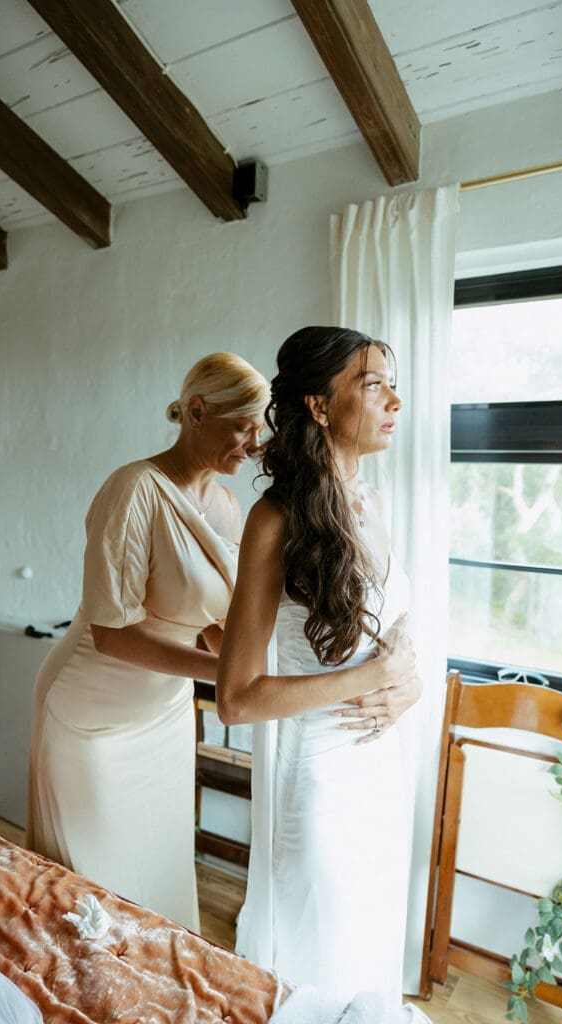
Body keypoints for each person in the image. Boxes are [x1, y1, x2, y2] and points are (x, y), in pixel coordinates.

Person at [26, 352, 269, 930]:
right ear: (195, 411)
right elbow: (113, 634)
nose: (255, 442)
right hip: (90, 714)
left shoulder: (228, 508)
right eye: (243, 424)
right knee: (90, 894)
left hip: (163, 717)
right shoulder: (134, 489)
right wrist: (226, 677)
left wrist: (253, 671)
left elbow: (211, 621)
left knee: (156, 878)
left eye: (261, 427)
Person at [217, 327, 423, 1005]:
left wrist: (408, 683)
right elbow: (237, 699)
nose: (394, 399)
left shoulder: (374, 500)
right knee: (323, 953)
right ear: (318, 406)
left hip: (381, 767)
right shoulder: (274, 520)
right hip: (322, 778)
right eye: (372, 384)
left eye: (392, 383)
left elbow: (393, 634)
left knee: (367, 945)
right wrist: (370, 679)